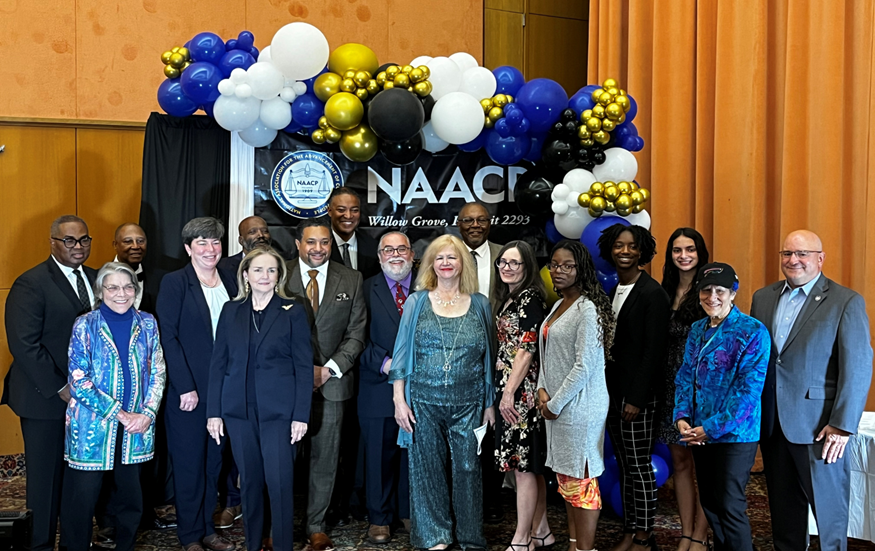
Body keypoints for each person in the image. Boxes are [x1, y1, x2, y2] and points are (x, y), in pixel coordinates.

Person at [751, 230, 873, 551]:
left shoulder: (845, 301)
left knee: (829, 517)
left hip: (820, 428)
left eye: (803, 253)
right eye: (787, 254)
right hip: (773, 423)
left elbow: (858, 366)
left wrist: (843, 426)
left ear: (820, 259)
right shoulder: (763, 298)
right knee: (784, 516)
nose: (794, 260)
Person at [389, 234, 496, 551]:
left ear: (463, 262)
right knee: (426, 471)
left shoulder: (480, 304)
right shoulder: (416, 301)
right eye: (440, 258)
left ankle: (469, 536)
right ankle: (434, 537)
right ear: (431, 264)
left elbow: (490, 357)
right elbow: (401, 355)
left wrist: (489, 404)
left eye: (452, 257)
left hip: (470, 404)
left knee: (468, 471)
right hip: (422, 402)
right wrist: (399, 400)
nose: (446, 263)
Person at [207, 247, 314, 551]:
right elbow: (218, 363)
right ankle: (253, 545)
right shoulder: (231, 310)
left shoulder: (293, 310)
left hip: (280, 414)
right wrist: (214, 413)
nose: (264, 276)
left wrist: (301, 416)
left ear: (279, 276)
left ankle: (282, 547)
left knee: (280, 485)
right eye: (258, 270)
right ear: (245, 275)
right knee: (250, 484)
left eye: (271, 270)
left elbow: (304, 366)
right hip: (238, 412)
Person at [2, 214, 96, 551]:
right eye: (69, 240)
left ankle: (76, 544)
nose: (78, 246)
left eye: (84, 240)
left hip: (88, 402)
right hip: (44, 399)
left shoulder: (99, 279)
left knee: (80, 481)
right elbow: (24, 344)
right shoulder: (31, 282)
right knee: (44, 482)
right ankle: (39, 545)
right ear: (53, 242)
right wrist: (61, 388)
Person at [61, 262, 167, 551]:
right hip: (93, 427)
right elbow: (78, 380)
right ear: (101, 291)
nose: (121, 293)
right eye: (112, 287)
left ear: (136, 290)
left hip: (136, 429)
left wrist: (146, 414)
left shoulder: (148, 322)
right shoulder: (86, 324)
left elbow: (158, 372)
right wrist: (119, 414)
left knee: (131, 500)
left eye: (127, 286)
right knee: (81, 500)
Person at [284, 216, 367, 551]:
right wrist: (302, 371)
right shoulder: (277, 273)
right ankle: (281, 523)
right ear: (298, 244)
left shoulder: (352, 278)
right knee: (283, 459)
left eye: (325, 242)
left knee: (326, 458)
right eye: (312, 242)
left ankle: (316, 526)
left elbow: (357, 334)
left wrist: (328, 370)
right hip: (286, 387)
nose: (318, 249)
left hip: (332, 386)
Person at [674, 263, 770, 551]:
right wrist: (682, 416)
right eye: (706, 290)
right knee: (711, 503)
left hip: (734, 435)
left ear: (733, 293)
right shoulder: (697, 329)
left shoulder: (752, 331)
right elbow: (685, 376)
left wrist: (711, 428)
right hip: (699, 431)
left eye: (720, 290)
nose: (712, 297)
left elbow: (748, 392)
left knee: (729, 505)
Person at [156, 217, 237, 551]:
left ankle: (206, 529)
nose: (210, 249)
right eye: (201, 243)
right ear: (188, 248)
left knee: (213, 464)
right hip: (190, 393)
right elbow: (168, 338)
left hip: (226, 390)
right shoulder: (175, 283)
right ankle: (190, 535)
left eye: (215, 242)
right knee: (190, 465)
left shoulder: (232, 279)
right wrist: (185, 386)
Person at [596, 224, 670, 551]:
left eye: (632, 247)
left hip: (636, 400)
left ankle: (644, 535)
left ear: (642, 252)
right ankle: (629, 529)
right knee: (626, 466)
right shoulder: (615, 290)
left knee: (639, 467)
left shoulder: (652, 293)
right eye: (618, 246)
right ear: (610, 250)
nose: (624, 252)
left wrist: (636, 399)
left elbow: (654, 353)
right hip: (614, 395)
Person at [537, 240, 615, 551]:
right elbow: (546, 354)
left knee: (581, 483)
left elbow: (585, 366)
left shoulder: (587, 308)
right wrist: (542, 389)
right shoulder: (559, 305)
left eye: (567, 265)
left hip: (579, 408)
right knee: (567, 481)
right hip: (556, 406)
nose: (559, 271)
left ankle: (585, 547)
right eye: (555, 265)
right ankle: (573, 544)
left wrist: (554, 403)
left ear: (581, 269)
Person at [490, 240, 553, 551]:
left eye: (514, 263)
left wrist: (508, 394)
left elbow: (527, 350)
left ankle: (521, 538)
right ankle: (541, 530)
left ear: (527, 267)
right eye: (502, 262)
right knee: (527, 467)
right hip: (510, 389)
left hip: (521, 395)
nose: (507, 268)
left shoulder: (529, 299)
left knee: (523, 466)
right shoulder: (510, 299)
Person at [214, 215, 272, 530]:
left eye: (264, 230)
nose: (260, 234)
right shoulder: (224, 268)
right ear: (241, 239)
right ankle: (233, 502)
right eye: (253, 231)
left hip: (270, 375)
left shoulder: (278, 265)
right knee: (234, 448)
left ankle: (264, 507)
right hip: (235, 369)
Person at [358, 231, 415, 544]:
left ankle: (408, 513)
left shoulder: (429, 285)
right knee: (379, 455)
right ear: (379, 256)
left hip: (421, 387)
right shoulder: (365, 288)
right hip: (377, 384)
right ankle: (379, 519)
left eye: (401, 249)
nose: (396, 254)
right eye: (388, 249)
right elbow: (355, 337)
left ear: (412, 253)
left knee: (413, 453)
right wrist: (386, 363)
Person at [657, 228, 710, 551]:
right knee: (679, 463)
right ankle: (686, 531)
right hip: (670, 388)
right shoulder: (664, 289)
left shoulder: (710, 290)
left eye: (690, 249)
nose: (684, 256)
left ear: (700, 252)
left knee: (703, 466)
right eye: (677, 250)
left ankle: (700, 534)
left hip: (702, 390)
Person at [456, 202, 504, 524]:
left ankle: (490, 500)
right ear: (458, 224)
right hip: (457, 361)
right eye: (468, 220)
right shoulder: (447, 254)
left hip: (499, 360)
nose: (475, 225)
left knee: (493, 431)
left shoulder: (507, 254)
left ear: (490, 223)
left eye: (481, 219)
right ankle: (460, 500)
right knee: (460, 433)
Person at [327, 187, 380, 279]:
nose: (348, 216)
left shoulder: (372, 246)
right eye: (341, 210)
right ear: (330, 211)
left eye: (354, 210)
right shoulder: (319, 247)